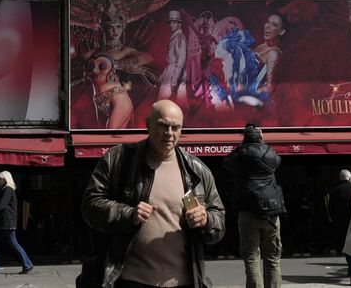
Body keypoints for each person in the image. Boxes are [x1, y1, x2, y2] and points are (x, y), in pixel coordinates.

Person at [80, 99, 226, 288]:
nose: (169, 133)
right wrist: (128, 214)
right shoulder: (119, 159)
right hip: (131, 280)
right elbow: (90, 205)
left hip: (184, 282)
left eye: (176, 127)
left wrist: (206, 220)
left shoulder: (196, 170)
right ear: (148, 125)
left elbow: (220, 220)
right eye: (163, 125)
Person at [224, 124, 285, 288]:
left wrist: (241, 147)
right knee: (273, 258)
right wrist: (263, 143)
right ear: (260, 138)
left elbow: (226, 163)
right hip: (271, 211)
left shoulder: (240, 155)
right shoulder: (270, 153)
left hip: (248, 210)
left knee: (251, 256)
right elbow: (277, 161)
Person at [0, 170, 33, 275]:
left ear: (5, 179)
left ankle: (28, 265)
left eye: (0, 178)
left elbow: (2, 205)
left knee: (13, 243)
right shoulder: (3, 189)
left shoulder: (8, 190)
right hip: (2, 222)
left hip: (7, 222)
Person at [328, 169, 351, 286]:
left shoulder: (334, 191)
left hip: (340, 225)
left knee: (347, 249)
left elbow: (330, 209)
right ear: (350, 178)